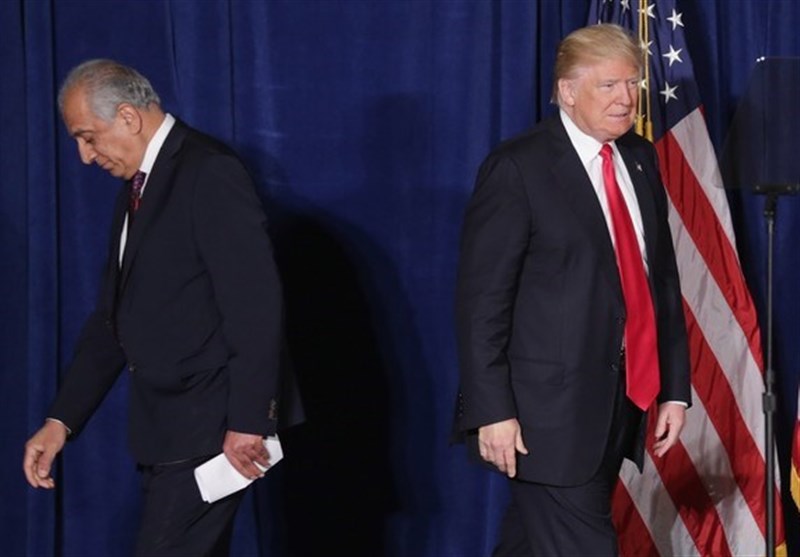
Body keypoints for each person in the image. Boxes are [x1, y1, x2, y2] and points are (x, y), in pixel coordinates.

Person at [23, 59, 289, 555]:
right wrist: (61, 421)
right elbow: (113, 319)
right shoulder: (138, 189)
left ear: (127, 116)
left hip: (211, 430)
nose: (85, 156)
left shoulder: (208, 171)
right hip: (163, 433)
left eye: (88, 138)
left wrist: (250, 421)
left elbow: (255, 306)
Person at [453, 24, 691, 556]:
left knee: (530, 544)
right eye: (608, 85)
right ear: (567, 91)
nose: (625, 98)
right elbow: (482, 304)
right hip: (542, 415)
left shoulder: (639, 157)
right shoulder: (519, 167)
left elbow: (660, 278)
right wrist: (490, 410)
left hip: (619, 404)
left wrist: (674, 387)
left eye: (632, 83)